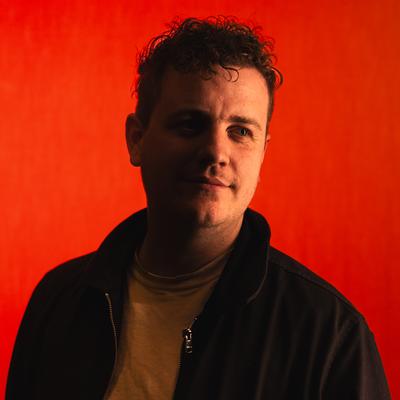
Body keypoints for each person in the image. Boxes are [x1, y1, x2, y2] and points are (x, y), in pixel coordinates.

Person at [6, 16, 391, 400]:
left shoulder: (331, 336)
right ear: (137, 139)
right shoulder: (59, 300)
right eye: (190, 124)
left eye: (241, 131)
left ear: (262, 153)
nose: (216, 152)